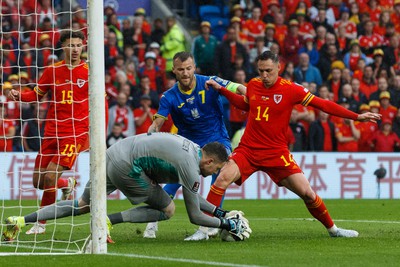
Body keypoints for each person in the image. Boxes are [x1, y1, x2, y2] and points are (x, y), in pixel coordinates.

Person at [204, 51, 381, 238]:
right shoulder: (254, 85)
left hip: (276, 152)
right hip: (249, 149)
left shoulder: (291, 89)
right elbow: (246, 104)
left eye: (268, 71)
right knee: (222, 178)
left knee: (308, 193)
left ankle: (333, 230)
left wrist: (356, 116)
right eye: (261, 71)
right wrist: (221, 90)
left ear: (279, 68)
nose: (264, 75)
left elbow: (323, 104)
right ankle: (205, 228)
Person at [3, 133, 251, 243]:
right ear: (208, 160)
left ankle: (20, 221)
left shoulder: (193, 151)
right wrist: (227, 224)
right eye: (216, 168)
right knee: (168, 210)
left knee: (82, 205)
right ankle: (107, 222)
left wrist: (220, 212)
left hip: (113, 154)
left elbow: (197, 200)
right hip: (128, 167)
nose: (215, 173)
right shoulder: (191, 167)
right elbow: (195, 214)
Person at [143, 51, 246, 241]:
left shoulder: (209, 82)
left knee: (221, 175)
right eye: (180, 69)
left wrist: (255, 96)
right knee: (175, 179)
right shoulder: (169, 96)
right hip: (188, 145)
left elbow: (238, 87)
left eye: (188, 68)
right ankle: (153, 219)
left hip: (217, 140)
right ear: (174, 70)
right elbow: (158, 121)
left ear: (194, 67)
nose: (185, 73)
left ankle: (205, 228)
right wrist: (150, 134)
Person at [7, 30, 92, 235]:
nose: (75, 49)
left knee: (50, 177)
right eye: (70, 45)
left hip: (75, 132)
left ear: (83, 47)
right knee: (38, 181)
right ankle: (68, 183)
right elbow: (37, 94)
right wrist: (19, 95)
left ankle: (41, 223)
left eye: (78, 45)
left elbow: (102, 100)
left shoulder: (89, 71)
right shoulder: (52, 70)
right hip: (52, 131)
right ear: (63, 47)